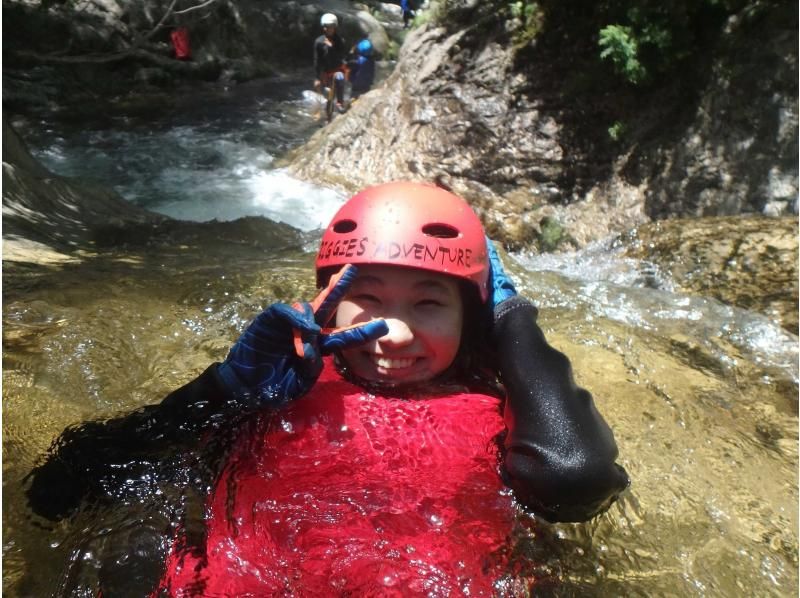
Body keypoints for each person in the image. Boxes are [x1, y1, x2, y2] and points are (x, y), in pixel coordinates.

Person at [26, 182, 629, 595]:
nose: (393, 333)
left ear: (472, 317)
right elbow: (61, 485)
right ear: (327, 301)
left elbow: (576, 481)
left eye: (429, 302)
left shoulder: (506, 408)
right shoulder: (277, 386)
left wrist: (512, 317)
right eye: (365, 297)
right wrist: (221, 391)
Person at [313, 12, 348, 111]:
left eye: (330, 27)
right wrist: (317, 78)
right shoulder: (319, 42)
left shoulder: (340, 41)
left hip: (338, 69)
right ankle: (328, 114)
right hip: (326, 72)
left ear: (334, 27)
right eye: (326, 27)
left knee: (340, 79)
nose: (327, 29)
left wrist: (331, 47)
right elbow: (317, 60)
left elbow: (340, 56)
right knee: (329, 95)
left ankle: (340, 103)